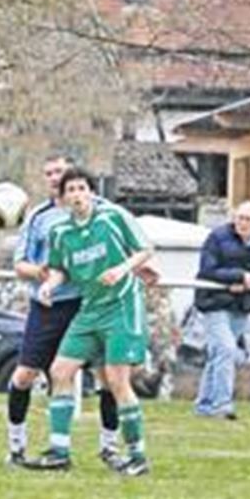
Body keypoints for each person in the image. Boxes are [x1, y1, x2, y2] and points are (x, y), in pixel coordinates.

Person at [28, 168, 154, 476]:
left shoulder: (112, 217)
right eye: (70, 190)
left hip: (121, 306)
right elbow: (59, 270)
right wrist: (49, 285)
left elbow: (145, 249)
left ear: (91, 192)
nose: (76, 194)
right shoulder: (61, 233)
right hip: (89, 309)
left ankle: (138, 457)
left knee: (116, 380)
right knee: (60, 371)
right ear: (64, 197)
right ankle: (59, 451)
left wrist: (122, 269)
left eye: (81, 188)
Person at [4, 154, 121, 468]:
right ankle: (16, 447)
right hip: (49, 307)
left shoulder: (101, 213)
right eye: (48, 173)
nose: (54, 177)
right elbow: (20, 264)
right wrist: (43, 273)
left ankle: (109, 448)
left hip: (89, 304)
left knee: (107, 378)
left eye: (60, 171)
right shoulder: (39, 218)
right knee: (25, 375)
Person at [192, 201, 250, 420]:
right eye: (239, 218)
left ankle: (204, 405)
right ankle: (222, 405)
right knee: (227, 349)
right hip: (214, 302)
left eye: (248, 219)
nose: (243, 223)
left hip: (241, 305)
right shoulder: (217, 237)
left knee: (218, 355)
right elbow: (207, 269)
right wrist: (237, 277)